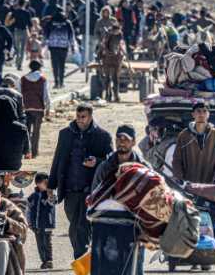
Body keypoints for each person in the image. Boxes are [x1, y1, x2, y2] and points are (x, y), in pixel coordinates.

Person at [47, 103, 113, 260]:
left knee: (81, 227)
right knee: (73, 227)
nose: (79, 120)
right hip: (69, 190)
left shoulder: (103, 136)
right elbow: (58, 160)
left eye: (83, 117)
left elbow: (112, 162)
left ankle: (81, 260)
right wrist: (51, 185)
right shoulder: (65, 134)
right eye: (77, 117)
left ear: (90, 117)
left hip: (90, 191)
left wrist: (97, 162)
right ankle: (85, 256)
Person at [172, 102, 215, 185]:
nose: (201, 114)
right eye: (198, 111)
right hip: (189, 185)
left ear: (208, 114)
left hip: (211, 186)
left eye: (205, 111)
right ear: (193, 114)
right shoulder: (184, 136)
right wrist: (178, 177)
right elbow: (177, 160)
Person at [92, 124, 150, 189]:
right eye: (119, 138)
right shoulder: (104, 168)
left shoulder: (144, 168)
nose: (122, 142)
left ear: (133, 142)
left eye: (126, 139)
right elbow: (95, 196)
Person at [20, 60, 51, 158]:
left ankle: (26, 152)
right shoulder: (43, 79)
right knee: (36, 132)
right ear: (39, 68)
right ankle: (34, 152)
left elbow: (20, 94)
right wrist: (48, 107)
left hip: (26, 108)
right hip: (39, 109)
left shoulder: (23, 79)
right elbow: (46, 95)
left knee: (26, 131)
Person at [27, 172, 56, 270]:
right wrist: (29, 222)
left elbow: (53, 202)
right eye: (44, 183)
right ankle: (44, 261)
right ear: (38, 184)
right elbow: (29, 209)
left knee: (47, 242)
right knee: (40, 243)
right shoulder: (33, 196)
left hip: (47, 223)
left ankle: (49, 260)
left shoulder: (50, 193)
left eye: (47, 183)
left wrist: (50, 193)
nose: (46, 185)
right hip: (36, 224)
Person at [44, 12, 74, 89]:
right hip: (64, 46)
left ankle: (56, 82)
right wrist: (72, 46)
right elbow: (71, 35)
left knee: (55, 65)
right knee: (62, 65)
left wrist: (46, 46)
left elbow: (46, 34)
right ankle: (61, 82)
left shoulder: (50, 22)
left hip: (53, 46)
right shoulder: (67, 22)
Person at [98, 24, 124, 102]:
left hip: (117, 53)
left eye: (117, 31)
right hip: (108, 52)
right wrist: (104, 49)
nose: (116, 32)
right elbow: (104, 43)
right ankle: (107, 94)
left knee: (115, 78)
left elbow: (121, 42)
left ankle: (116, 94)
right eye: (115, 31)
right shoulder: (108, 34)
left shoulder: (120, 34)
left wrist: (120, 49)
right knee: (107, 77)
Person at [6, 0, 33, 70]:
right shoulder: (27, 13)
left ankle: (17, 62)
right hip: (24, 31)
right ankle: (19, 65)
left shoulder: (15, 12)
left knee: (17, 48)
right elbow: (30, 24)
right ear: (24, 3)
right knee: (23, 49)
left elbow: (11, 22)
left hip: (16, 31)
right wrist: (30, 33)